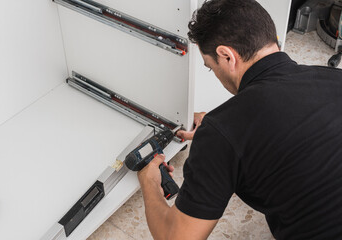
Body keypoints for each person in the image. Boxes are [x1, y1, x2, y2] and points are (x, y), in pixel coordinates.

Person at [137, 0, 342, 239]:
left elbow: (177, 237)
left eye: (210, 67)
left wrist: (149, 183)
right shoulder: (333, 78)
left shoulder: (220, 133)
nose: (215, 74)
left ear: (226, 56)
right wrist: (224, 133)